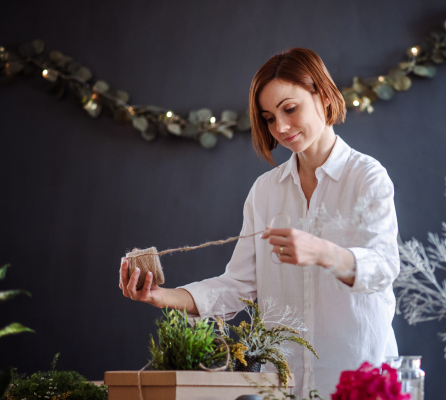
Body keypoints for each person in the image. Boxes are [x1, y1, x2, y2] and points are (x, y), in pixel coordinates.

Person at [119, 48, 400, 398]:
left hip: (358, 381)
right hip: (281, 386)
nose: (280, 128)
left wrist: (324, 253)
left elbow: (384, 268)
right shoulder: (266, 191)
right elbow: (239, 285)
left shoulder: (366, 177)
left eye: (290, 109)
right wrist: (164, 297)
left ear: (323, 96)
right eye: (269, 118)